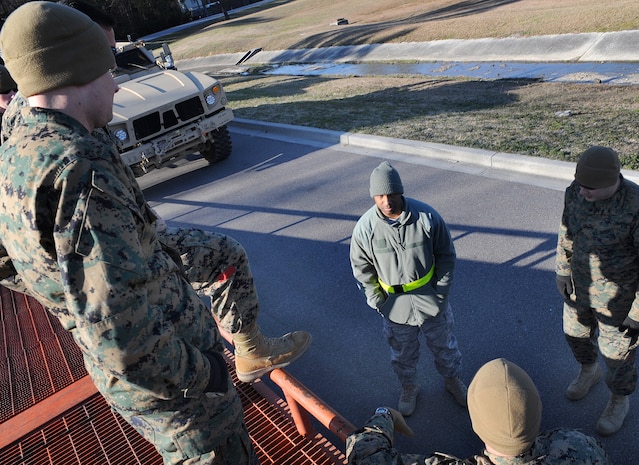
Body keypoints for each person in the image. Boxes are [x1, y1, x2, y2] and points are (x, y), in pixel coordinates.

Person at [0, 3, 308, 464]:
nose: (117, 82)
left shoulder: (24, 134)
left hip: (143, 316)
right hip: (177, 394)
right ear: (75, 72)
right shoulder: (78, 176)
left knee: (224, 253)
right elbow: (124, 341)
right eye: (107, 68)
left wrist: (60, 296)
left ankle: (249, 348)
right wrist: (207, 376)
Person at [350, 161, 466, 416]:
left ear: (400, 192)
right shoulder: (365, 229)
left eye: (391, 194)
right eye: (380, 196)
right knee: (402, 354)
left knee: (444, 346)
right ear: (373, 196)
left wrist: (441, 293)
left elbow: (446, 255)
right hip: (394, 306)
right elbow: (362, 270)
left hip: (431, 299)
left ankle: (452, 380)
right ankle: (409, 387)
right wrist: (378, 301)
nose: (387, 201)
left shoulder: (427, 217)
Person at [346, 358, 611, 465]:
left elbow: (364, 457)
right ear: (537, 411)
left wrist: (385, 414)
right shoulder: (580, 447)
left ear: (476, 423)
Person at [556, 145, 639, 436]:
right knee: (575, 335)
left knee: (617, 356)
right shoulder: (575, 191)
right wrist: (562, 270)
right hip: (581, 286)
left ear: (612, 182)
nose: (582, 193)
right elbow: (566, 230)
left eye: (589, 188)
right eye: (579, 185)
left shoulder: (635, 205)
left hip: (619, 299)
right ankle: (588, 371)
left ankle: (619, 400)